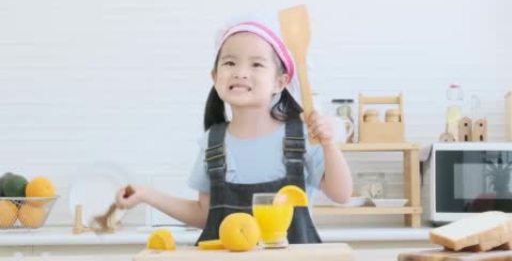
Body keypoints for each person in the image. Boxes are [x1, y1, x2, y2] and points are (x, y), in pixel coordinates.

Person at [115, 13, 353, 244]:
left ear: (280, 82)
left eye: (257, 64)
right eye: (230, 62)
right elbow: (204, 215)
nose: (240, 72)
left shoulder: (301, 135)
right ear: (215, 76)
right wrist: (147, 194)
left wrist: (329, 145)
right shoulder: (213, 142)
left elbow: (341, 195)